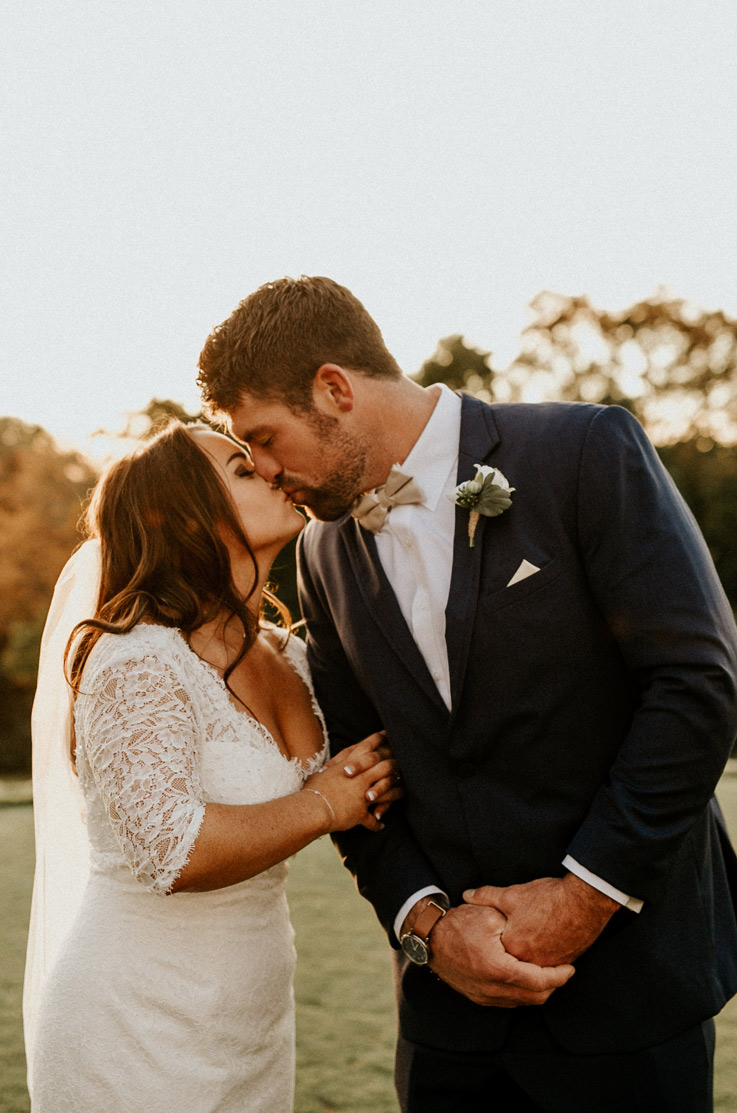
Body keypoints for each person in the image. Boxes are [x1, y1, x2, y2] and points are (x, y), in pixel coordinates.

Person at [196, 275, 737, 1113]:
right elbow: (353, 762)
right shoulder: (322, 555)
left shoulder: (584, 452)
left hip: (624, 990)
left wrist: (583, 897)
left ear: (334, 389)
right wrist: (426, 925)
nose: (262, 470)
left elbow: (695, 684)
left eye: (264, 437)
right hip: (448, 1021)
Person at [24, 421, 404, 1113]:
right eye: (240, 467)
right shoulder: (136, 659)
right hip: (134, 1019)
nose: (269, 468)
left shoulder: (289, 656)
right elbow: (173, 851)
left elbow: (355, 772)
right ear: (173, 513)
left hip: (250, 1021)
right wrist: (324, 803)